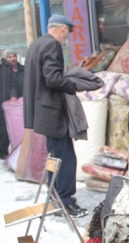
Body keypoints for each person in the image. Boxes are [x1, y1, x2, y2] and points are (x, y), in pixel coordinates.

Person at [23, 14, 88, 218]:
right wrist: (73, 84)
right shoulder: (52, 45)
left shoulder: (36, 44)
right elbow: (52, 78)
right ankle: (66, 202)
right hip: (52, 112)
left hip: (42, 112)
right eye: (66, 32)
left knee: (54, 157)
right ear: (62, 29)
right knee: (66, 157)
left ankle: (54, 197)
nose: (66, 37)